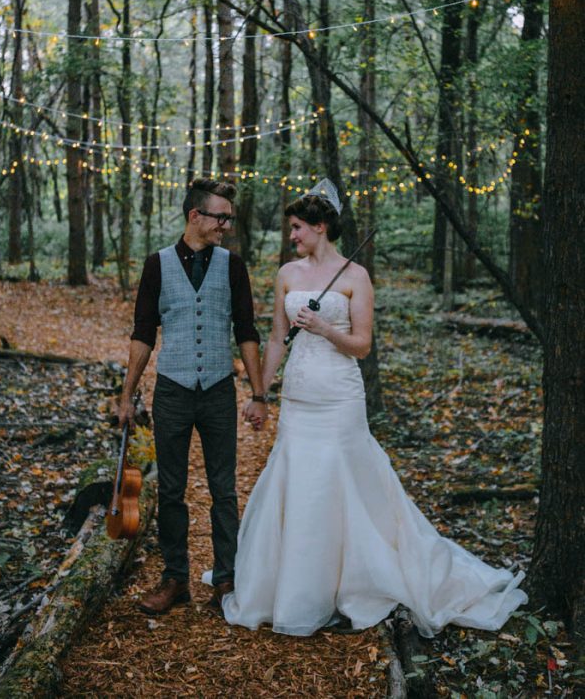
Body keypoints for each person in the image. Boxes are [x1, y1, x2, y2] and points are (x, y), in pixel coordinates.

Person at [214, 180, 527, 637]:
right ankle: (295, 586)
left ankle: (355, 581)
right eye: (292, 230)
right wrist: (260, 393)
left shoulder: (356, 277)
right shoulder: (286, 274)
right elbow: (279, 338)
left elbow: (361, 346)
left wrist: (324, 328)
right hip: (299, 398)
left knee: (341, 485)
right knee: (298, 482)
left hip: (340, 398)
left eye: (299, 228)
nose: (293, 237)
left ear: (322, 227)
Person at [117, 178, 267, 615]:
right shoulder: (157, 265)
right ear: (194, 216)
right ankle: (175, 578)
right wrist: (127, 395)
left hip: (219, 389)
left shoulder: (232, 266)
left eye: (229, 218)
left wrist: (258, 393)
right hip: (172, 391)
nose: (226, 225)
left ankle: (226, 579)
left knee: (224, 490)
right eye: (220, 216)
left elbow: (246, 331)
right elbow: (143, 332)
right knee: (171, 490)